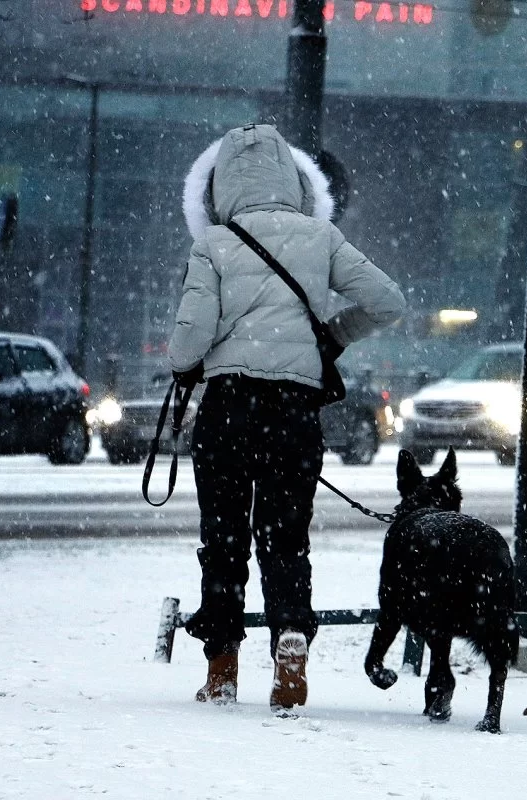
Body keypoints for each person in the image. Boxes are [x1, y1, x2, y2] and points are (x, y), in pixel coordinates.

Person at [168, 124, 406, 711]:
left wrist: (197, 354)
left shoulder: (215, 246)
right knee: (285, 541)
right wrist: (333, 335)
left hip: (228, 410)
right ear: (294, 182)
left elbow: (185, 345)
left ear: (220, 186)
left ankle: (222, 668)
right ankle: (291, 655)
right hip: (293, 413)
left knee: (223, 540)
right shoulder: (321, 238)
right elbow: (388, 301)